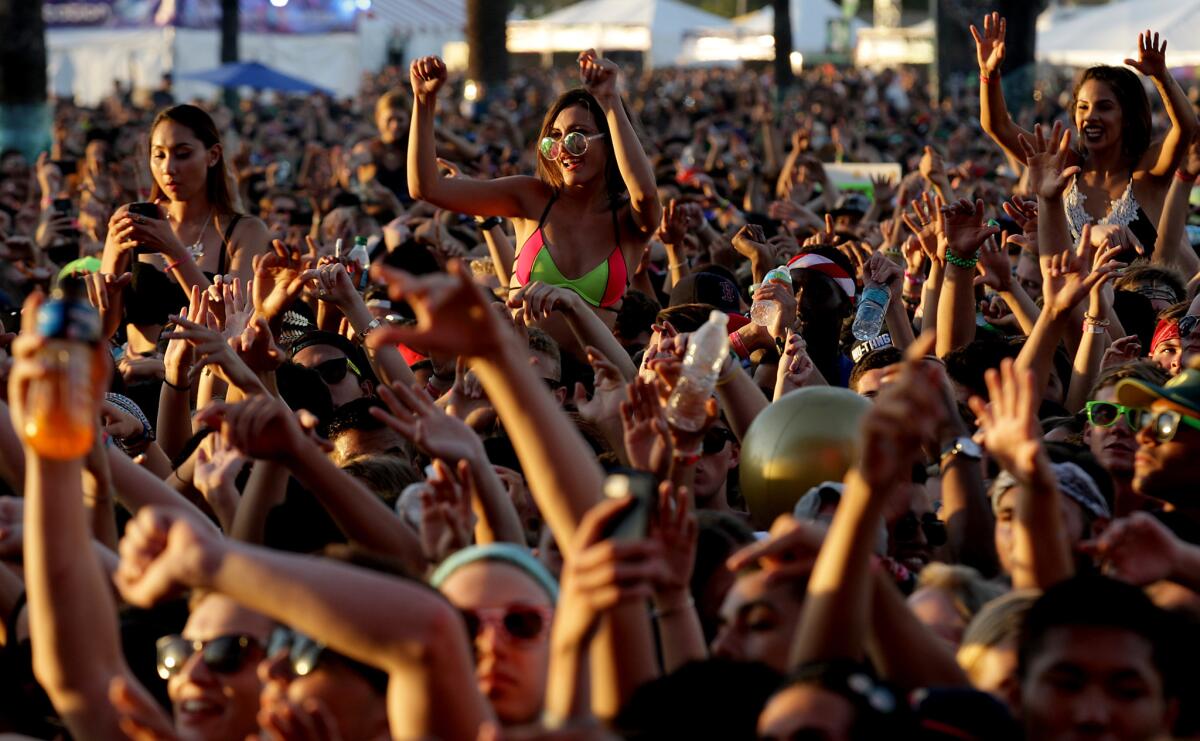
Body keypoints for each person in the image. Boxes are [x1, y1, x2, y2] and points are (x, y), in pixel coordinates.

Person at [406, 52, 661, 334]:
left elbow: (645, 194)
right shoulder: (530, 198)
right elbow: (425, 187)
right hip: (525, 370)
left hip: (596, 375)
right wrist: (423, 101)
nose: (563, 148)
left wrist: (610, 101)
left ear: (610, 141)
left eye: (577, 136)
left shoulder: (630, 221)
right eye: (554, 138)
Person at [975, 15, 1198, 256]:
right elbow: (998, 126)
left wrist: (1161, 77)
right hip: (1069, 294)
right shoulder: (1064, 166)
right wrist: (989, 73)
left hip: (1140, 293)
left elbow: (1187, 127)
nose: (1090, 116)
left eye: (1104, 107)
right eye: (1083, 107)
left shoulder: (1148, 170)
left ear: (1128, 116)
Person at [101, 104, 270, 331]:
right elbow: (102, 330)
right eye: (158, 155)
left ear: (212, 156)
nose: (168, 168)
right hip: (135, 362)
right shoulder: (132, 219)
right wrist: (113, 265)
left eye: (182, 155)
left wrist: (173, 250)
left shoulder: (246, 230)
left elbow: (234, 323)